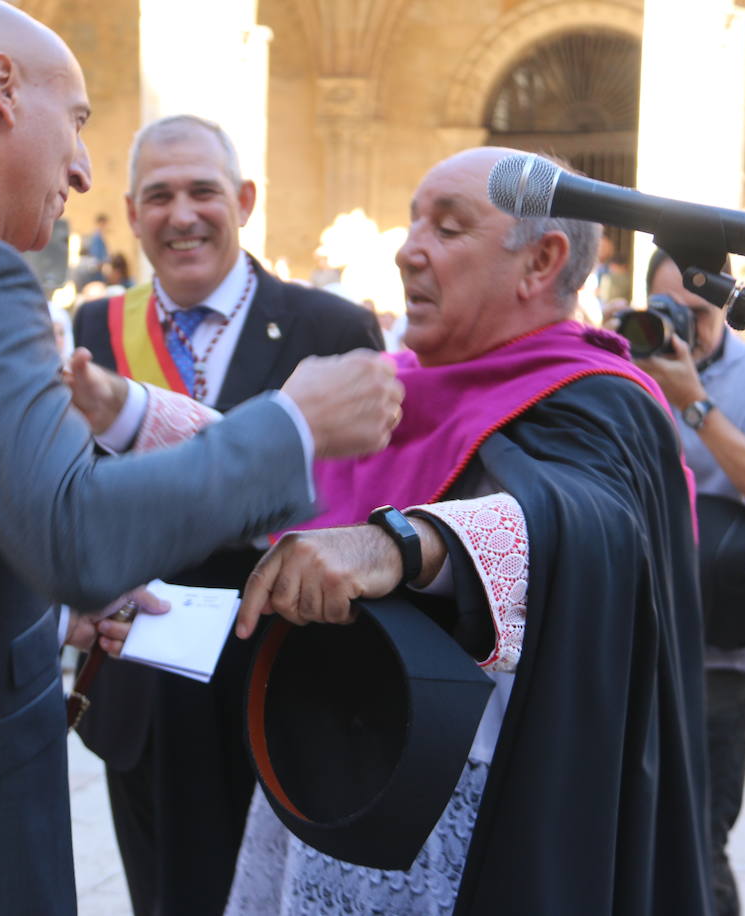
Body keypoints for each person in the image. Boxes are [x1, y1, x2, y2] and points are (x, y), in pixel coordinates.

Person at [0, 3, 402, 914]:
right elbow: (77, 534)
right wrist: (292, 422)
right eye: (79, 120)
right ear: (3, 87)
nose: (83, 169)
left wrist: (49, 614)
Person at [212, 148, 708, 913]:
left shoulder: (604, 402)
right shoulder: (389, 387)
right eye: (413, 222)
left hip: (486, 806)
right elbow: (266, 476)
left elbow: (590, 525)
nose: (409, 248)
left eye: (447, 228)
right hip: (323, 765)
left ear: (540, 262)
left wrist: (402, 544)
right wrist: (129, 416)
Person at [70, 113, 382, 916]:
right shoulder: (96, 330)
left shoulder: (332, 328)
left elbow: (371, 500)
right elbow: (75, 496)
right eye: (160, 196)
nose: (182, 215)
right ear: (133, 213)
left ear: (243, 199)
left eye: (203, 191)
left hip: (285, 687)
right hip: (144, 688)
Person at [634, 247, 745, 916]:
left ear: (728, 309)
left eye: (698, 314)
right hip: (629, 633)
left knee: (698, 837)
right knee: (625, 825)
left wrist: (694, 403)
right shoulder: (616, 366)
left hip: (718, 651)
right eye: (665, 310)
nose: (679, 327)